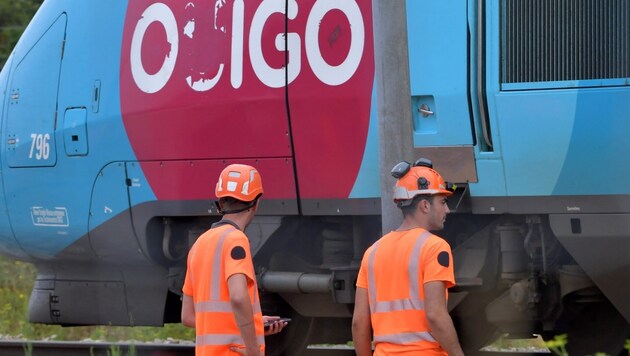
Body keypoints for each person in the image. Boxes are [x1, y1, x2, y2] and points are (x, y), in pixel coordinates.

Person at [352, 158, 464, 356]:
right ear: (424, 206)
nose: (447, 209)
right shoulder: (434, 247)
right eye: (443, 202)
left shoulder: (372, 252)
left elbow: (359, 322)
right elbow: (435, 315)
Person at [181, 163, 287, 355]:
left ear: (220, 203)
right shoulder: (236, 240)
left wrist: (252, 323)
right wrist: (253, 348)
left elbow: (188, 316)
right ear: (256, 204)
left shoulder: (199, 244)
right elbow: (238, 297)